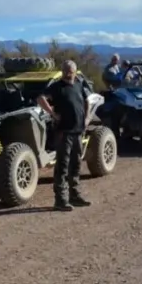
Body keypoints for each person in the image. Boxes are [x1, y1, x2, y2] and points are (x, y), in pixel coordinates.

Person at [37, 60, 93, 211]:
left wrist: (87, 118)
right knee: (62, 165)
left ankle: (75, 196)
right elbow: (41, 98)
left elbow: (87, 101)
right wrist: (53, 114)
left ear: (75, 72)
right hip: (63, 132)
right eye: (66, 70)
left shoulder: (79, 84)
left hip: (78, 131)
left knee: (76, 164)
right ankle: (60, 200)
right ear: (62, 71)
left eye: (70, 71)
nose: (68, 73)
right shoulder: (56, 87)